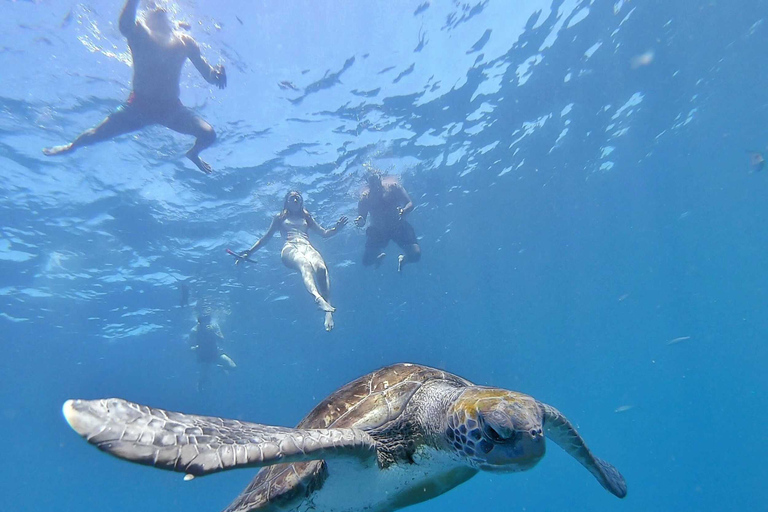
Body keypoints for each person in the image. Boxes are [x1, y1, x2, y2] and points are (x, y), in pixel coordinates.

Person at [43, 0, 227, 174]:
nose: (158, 8)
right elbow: (125, 24)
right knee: (95, 134)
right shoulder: (139, 31)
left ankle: (193, 153)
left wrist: (216, 73)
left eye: (161, 6)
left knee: (209, 135)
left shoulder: (185, 41)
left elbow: (208, 75)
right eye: (152, 6)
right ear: (145, 16)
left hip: (172, 109)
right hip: (137, 106)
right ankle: (71, 146)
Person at [237, 191, 347, 332]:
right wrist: (249, 252)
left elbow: (324, 233)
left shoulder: (307, 217)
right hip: (289, 248)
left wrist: (336, 229)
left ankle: (328, 312)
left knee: (321, 268)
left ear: (301, 202)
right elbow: (266, 238)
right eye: (292, 197)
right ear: (286, 202)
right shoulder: (280, 217)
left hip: (307, 246)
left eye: (298, 197)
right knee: (305, 265)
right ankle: (317, 298)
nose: (295, 199)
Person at [355, 173, 421, 272]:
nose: (375, 186)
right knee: (367, 262)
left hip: (397, 226)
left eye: (376, 182)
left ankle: (403, 260)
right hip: (378, 231)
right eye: (372, 184)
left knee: (416, 255)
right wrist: (360, 221)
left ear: (380, 179)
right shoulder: (365, 198)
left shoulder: (393, 187)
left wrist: (404, 211)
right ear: (368, 184)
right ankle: (378, 258)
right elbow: (362, 219)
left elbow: (410, 203)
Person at [188, 313, 236, 392]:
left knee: (233, 367)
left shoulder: (214, 327)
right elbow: (190, 346)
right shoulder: (194, 330)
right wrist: (195, 348)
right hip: (203, 356)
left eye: (208, 320)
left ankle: (220, 367)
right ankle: (200, 394)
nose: (207, 322)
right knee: (203, 378)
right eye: (204, 320)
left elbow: (222, 340)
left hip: (215, 353)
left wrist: (213, 333)